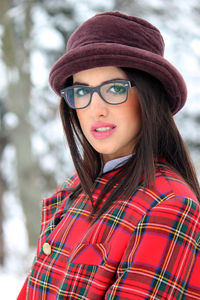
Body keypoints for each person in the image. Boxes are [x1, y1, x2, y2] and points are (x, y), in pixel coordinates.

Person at [17, 11, 200, 299]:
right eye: (81, 92)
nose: (95, 109)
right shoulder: (71, 192)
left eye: (115, 89)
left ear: (150, 97)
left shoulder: (169, 205)